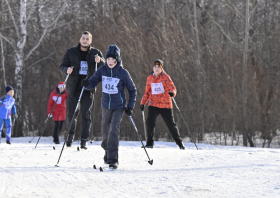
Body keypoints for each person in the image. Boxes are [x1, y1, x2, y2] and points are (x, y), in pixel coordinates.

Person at [81, 44, 137, 169]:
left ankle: (113, 160)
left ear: (117, 60)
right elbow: (93, 82)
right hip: (106, 105)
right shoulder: (102, 70)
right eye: (108, 59)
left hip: (119, 106)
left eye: (113, 59)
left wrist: (130, 106)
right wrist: (86, 84)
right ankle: (108, 153)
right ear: (105, 59)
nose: (110, 62)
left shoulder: (123, 73)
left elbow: (132, 90)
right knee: (105, 131)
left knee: (113, 131)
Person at [59, 31, 105, 149]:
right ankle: (69, 137)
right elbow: (62, 66)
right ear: (80, 39)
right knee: (72, 114)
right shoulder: (71, 52)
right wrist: (66, 70)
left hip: (88, 88)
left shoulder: (95, 53)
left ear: (90, 41)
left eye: (87, 39)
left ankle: (84, 140)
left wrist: (99, 61)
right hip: (74, 88)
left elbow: (105, 66)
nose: (85, 40)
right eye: (83, 38)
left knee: (86, 114)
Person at [140, 59, 185, 150]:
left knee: (171, 124)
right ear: (153, 68)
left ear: (161, 68)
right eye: (155, 67)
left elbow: (173, 88)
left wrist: (172, 93)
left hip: (165, 104)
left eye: (159, 67)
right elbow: (147, 92)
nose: (156, 69)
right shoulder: (150, 78)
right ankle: (149, 143)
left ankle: (180, 143)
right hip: (153, 104)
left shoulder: (166, 77)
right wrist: (143, 103)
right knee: (150, 122)